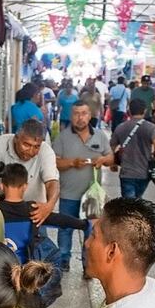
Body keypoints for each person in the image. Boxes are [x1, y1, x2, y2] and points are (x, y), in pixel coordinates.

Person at [51, 101, 113, 271]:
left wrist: (103, 160)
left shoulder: (100, 135)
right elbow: (54, 162)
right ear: (71, 116)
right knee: (65, 229)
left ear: (90, 115)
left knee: (92, 231)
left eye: (84, 113)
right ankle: (64, 260)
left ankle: (88, 264)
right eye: (76, 113)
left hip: (92, 196)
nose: (80, 117)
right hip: (68, 194)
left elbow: (111, 158)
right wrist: (72, 163)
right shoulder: (62, 137)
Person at [0, 163, 88, 264]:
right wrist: (84, 224)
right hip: (27, 270)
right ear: (25, 186)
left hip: (0, 265)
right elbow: (59, 219)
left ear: (1, 186)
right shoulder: (34, 210)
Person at [0, 119, 61, 224]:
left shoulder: (46, 152)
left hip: (34, 214)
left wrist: (49, 206)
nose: (31, 151)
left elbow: (52, 182)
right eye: (26, 145)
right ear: (16, 138)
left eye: (36, 147)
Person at [110, 99, 155, 200]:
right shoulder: (151, 128)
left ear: (129, 111)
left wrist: (113, 163)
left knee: (129, 204)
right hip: (144, 172)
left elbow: (112, 146)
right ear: (145, 111)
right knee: (137, 199)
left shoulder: (120, 127)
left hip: (127, 172)